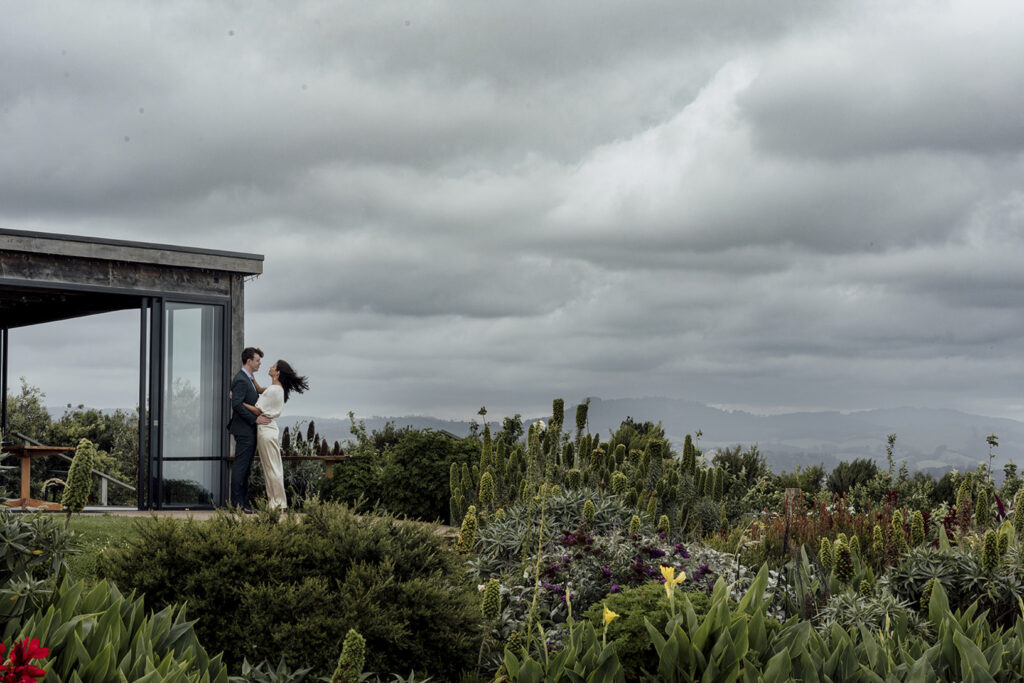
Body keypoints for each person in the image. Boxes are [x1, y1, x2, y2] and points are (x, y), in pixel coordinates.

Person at [242, 360, 309, 510]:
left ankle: (278, 503)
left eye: (273, 366)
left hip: (266, 430)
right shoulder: (277, 389)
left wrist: (239, 402)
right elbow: (260, 389)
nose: (270, 367)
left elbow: (258, 410)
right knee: (272, 467)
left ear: (277, 373)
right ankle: (275, 502)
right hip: (269, 428)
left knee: (272, 468)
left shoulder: (274, 390)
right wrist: (251, 376)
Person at [228, 347, 268, 512]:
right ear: (249, 361)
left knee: (245, 468)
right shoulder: (241, 380)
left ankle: (243, 503)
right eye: (257, 360)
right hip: (244, 430)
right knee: (241, 467)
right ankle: (237, 505)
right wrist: (255, 418)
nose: (260, 363)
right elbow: (236, 404)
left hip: (248, 430)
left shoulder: (249, 378)